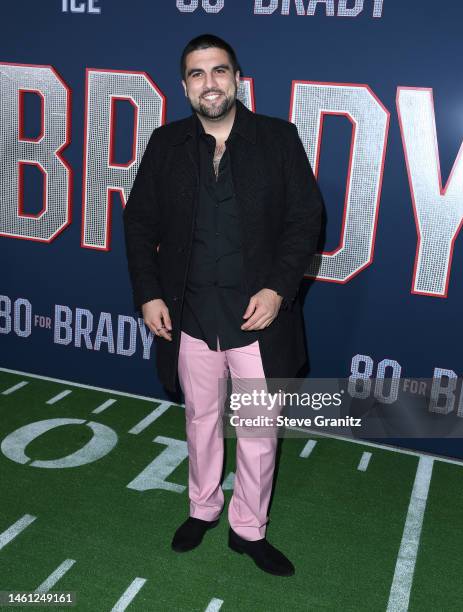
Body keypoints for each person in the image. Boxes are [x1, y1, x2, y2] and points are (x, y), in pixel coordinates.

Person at [123, 33, 324, 577]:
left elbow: (307, 220)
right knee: (201, 420)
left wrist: (278, 288)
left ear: (237, 78)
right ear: (185, 85)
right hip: (189, 317)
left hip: (258, 320)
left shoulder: (277, 140)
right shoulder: (166, 145)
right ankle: (203, 507)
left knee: (258, 433)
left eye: (218, 71)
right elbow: (138, 224)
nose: (208, 83)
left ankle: (248, 530)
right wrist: (149, 293)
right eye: (196, 73)